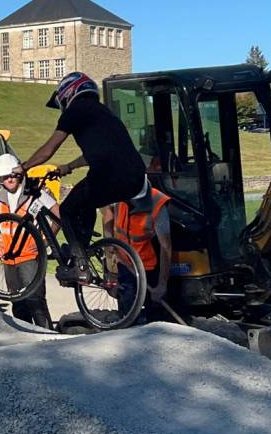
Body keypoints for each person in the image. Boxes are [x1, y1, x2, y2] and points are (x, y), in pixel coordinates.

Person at [20, 72, 146, 281]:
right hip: (135, 177)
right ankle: (82, 250)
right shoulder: (104, 112)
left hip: (109, 174)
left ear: (68, 93)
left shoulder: (74, 111)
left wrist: (23, 167)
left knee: (67, 210)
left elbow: (48, 149)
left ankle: (80, 265)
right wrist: (68, 166)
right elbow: (97, 152)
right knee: (87, 202)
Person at [0, 154, 53, 328]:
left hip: (30, 258)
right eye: (4, 177)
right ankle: (25, 337)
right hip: (9, 259)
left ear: (19, 174)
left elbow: (58, 213)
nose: (9, 179)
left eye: (12, 175)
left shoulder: (34, 193)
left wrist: (44, 243)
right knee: (17, 304)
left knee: (36, 302)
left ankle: (48, 336)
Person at [102, 178, 172, 324]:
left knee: (154, 318)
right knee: (127, 314)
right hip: (124, 263)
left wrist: (162, 285)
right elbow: (107, 211)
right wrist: (108, 241)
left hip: (148, 267)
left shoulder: (157, 203)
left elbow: (166, 247)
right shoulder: (120, 193)